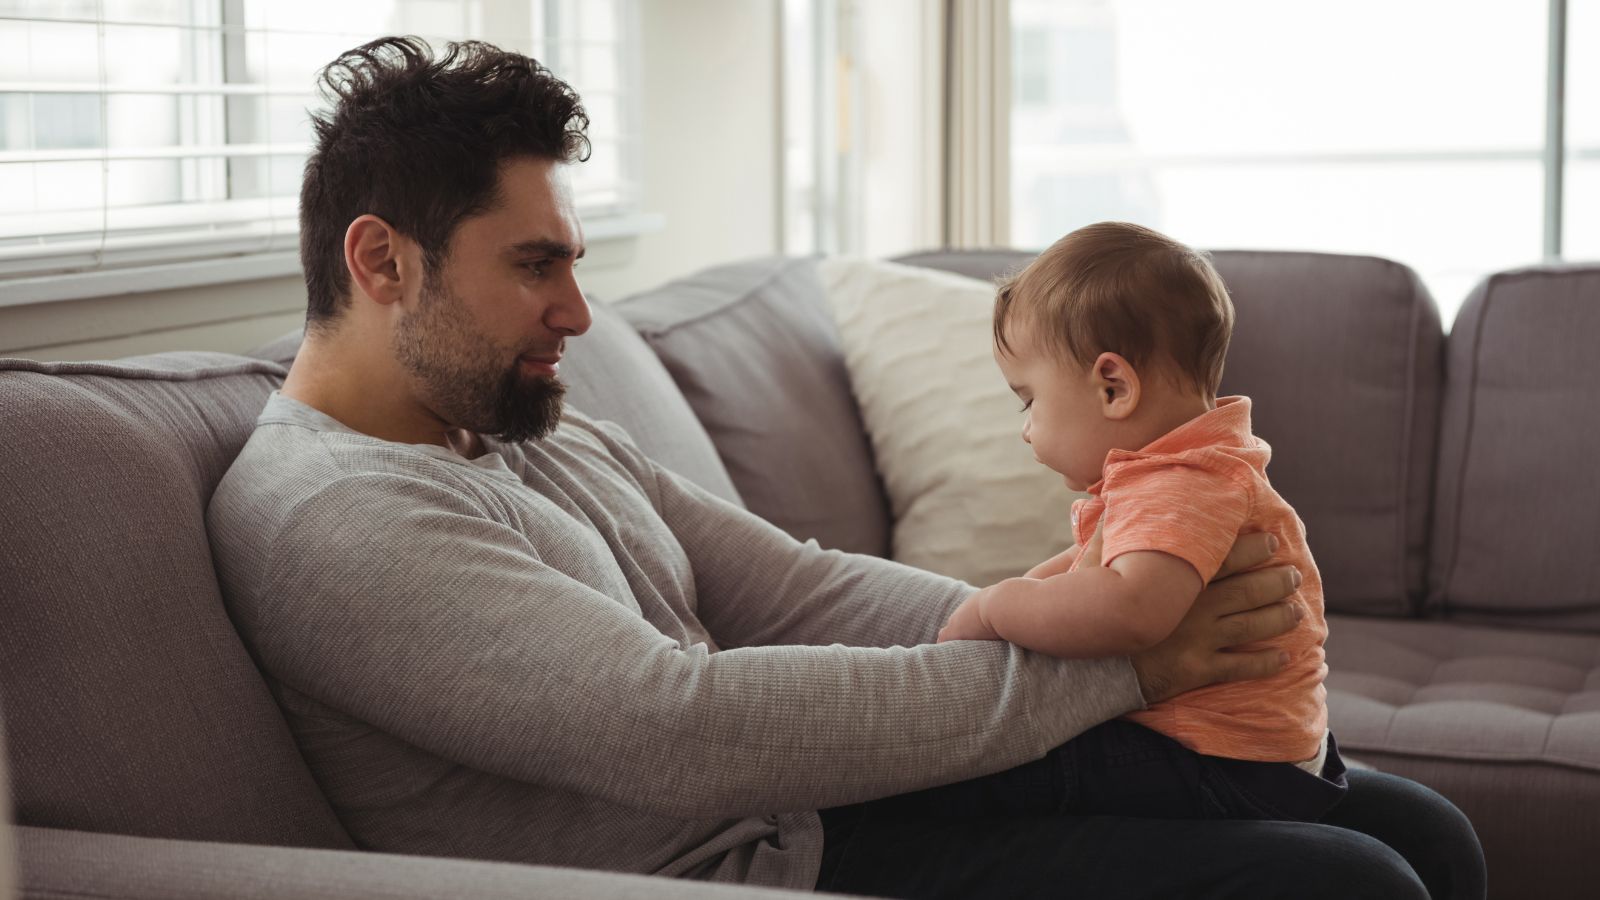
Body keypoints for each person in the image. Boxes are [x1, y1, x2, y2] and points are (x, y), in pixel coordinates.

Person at [205, 36, 1485, 899]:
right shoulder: (336, 516)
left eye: (574, 263)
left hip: (824, 800)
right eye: (536, 265)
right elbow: (678, 732)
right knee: (1349, 881)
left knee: (1424, 831)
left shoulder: (515, 425)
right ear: (382, 263)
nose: (581, 313)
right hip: (750, 860)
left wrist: (1074, 618)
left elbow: (799, 590)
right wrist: (1129, 667)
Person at [936, 221, 1344, 823]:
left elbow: (1130, 610)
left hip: (1224, 766)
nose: (1025, 427)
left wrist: (998, 606)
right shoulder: (1190, 466)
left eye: (1028, 400)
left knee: (995, 782)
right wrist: (1031, 590)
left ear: (1113, 386)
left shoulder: (1181, 481)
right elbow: (1090, 571)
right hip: (1254, 758)